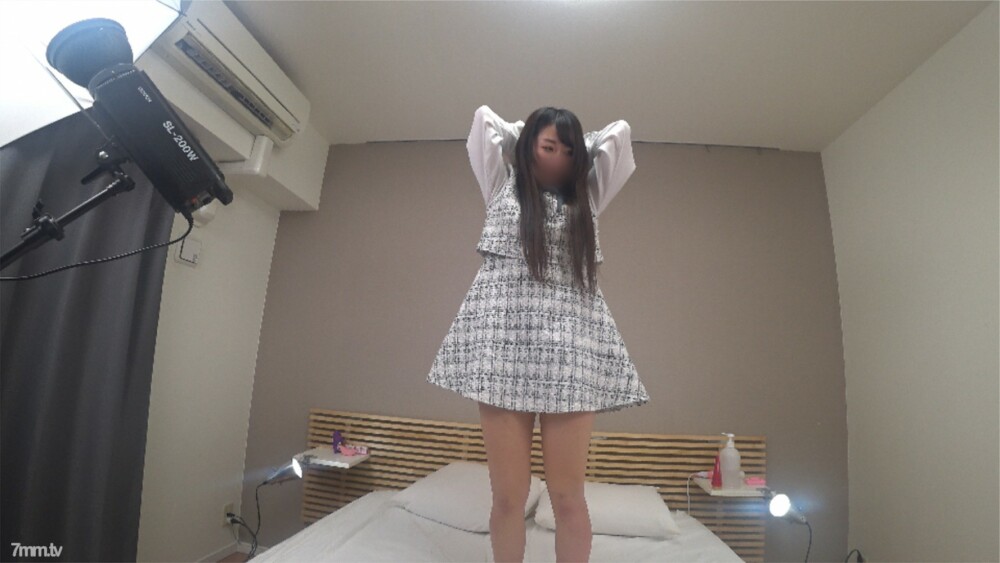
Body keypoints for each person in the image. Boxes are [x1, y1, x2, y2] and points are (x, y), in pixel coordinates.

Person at [427, 104, 650, 562]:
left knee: (568, 497)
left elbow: (621, 135)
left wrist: (575, 144)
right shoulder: (499, 185)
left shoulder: (588, 197)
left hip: (570, 355)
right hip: (501, 350)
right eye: (549, 147)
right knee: (508, 497)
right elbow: (483, 121)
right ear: (528, 147)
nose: (559, 161)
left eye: (569, 153)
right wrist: (524, 134)